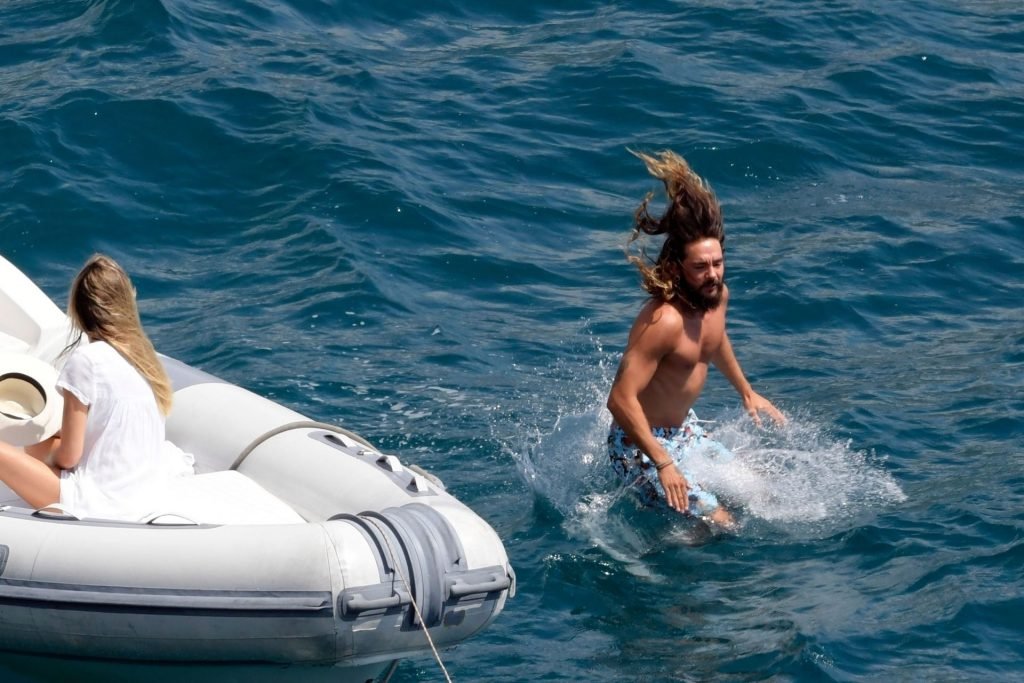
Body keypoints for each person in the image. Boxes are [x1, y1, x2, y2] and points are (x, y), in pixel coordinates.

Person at [606, 150, 784, 525]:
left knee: (763, 495)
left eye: (717, 263)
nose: (713, 274)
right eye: (700, 267)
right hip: (638, 446)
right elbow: (619, 399)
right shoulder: (663, 321)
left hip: (685, 432)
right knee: (720, 523)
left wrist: (746, 391)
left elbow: (714, 341)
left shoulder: (716, 298)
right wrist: (663, 463)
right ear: (676, 269)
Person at [0, 254, 175, 520]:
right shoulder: (145, 359)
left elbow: (69, 458)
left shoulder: (87, 360)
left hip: (98, 501)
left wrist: (40, 449)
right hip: (144, 492)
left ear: (79, 310)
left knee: (29, 445)